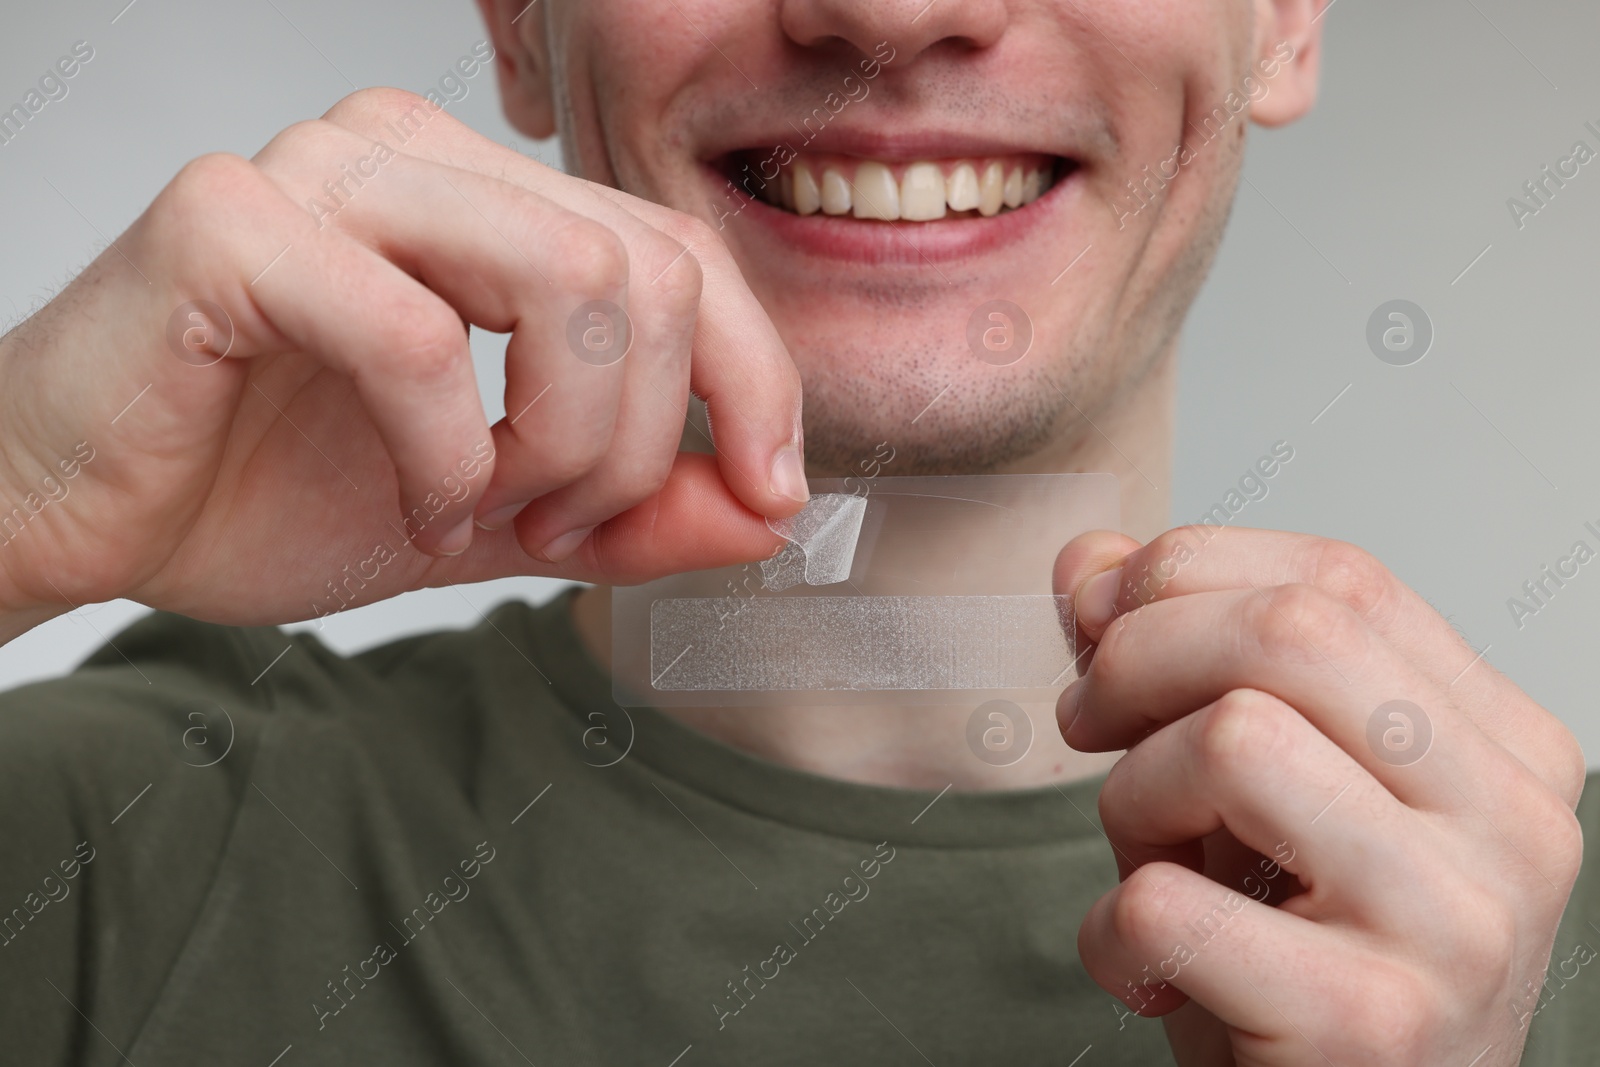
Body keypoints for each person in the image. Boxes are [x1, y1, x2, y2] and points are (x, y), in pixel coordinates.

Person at [0, 0, 1592, 1063]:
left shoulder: (1542, 956)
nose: (891, 12)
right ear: (517, 19)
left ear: (1288, 12)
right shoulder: (95, 859)